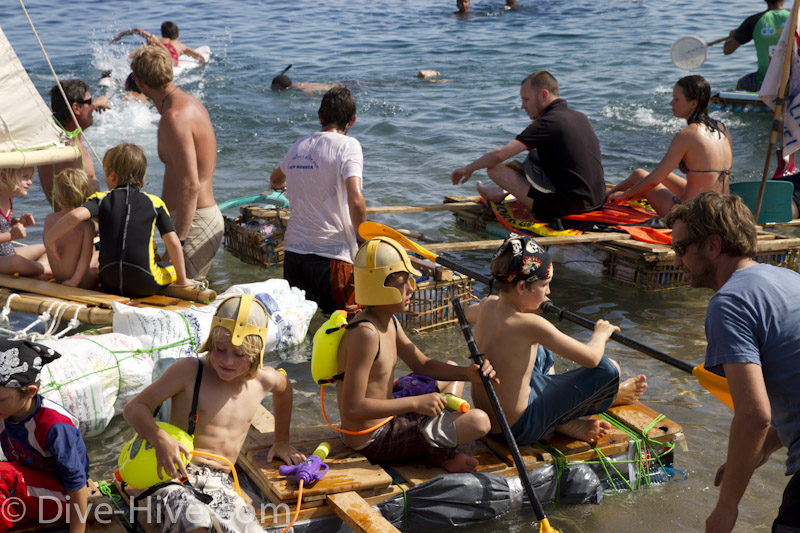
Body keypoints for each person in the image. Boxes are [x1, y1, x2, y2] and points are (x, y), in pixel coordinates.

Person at [665, 191, 800, 533]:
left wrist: (726, 507)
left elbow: (754, 414)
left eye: (680, 248)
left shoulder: (729, 302)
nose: (677, 261)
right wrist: (762, 449)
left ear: (712, 245)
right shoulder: (788, 279)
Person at [124, 294, 304, 533]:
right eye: (220, 349)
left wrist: (281, 441)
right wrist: (160, 439)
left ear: (256, 354)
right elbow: (134, 408)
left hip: (220, 483)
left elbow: (284, 389)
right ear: (210, 342)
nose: (227, 361)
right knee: (196, 520)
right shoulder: (190, 371)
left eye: (239, 354)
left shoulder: (264, 380)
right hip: (174, 474)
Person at [466, 233, 647, 445]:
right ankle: (562, 419)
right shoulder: (532, 325)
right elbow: (591, 358)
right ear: (522, 287)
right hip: (518, 430)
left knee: (541, 351)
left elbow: (469, 312)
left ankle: (558, 417)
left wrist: (524, 308)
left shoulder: (487, 304)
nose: (549, 291)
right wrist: (600, 334)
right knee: (610, 369)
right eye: (545, 285)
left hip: (491, 422)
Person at [335, 236, 495, 473]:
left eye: (409, 281)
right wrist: (416, 403)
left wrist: (468, 374)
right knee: (479, 421)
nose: (411, 288)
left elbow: (422, 364)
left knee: (451, 369)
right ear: (379, 289)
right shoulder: (365, 334)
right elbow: (352, 409)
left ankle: (439, 436)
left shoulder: (388, 320)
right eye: (402, 283)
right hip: (373, 437)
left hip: (389, 411)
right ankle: (442, 453)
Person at [451, 70, 606, 223]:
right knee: (536, 153)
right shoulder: (580, 116)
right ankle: (501, 191)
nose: (522, 106)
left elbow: (499, 155)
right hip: (597, 200)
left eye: (526, 100)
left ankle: (501, 192)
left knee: (494, 169)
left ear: (544, 95)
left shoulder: (548, 123)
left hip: (566, 208)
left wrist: (468, 169)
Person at [44, 143, 189, 298]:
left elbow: (75, 216)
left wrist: (50, 239)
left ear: (112, 175)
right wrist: (182, 280)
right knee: (170, 267)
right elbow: (174, 243)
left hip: (108, 283)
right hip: (144, 284)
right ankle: (184, 280)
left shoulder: (101, 199)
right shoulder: (155, 203)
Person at [270, 85, 367, 314]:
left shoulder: (299, 145)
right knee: (347, 325)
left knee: (302, 322)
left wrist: (282, 185)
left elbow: (275, 180)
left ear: (320, 116)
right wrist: (363, 240)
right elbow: (356, 201)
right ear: (353, 120)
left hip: (294, 257)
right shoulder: (348, 145)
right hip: (332, 258)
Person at [130, 45, 222, 280]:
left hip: (194, 222)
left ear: (140, 82)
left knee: (181, 295)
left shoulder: (174, 118)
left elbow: (191, 184)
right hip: (191, 220)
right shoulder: (187, 103)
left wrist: (177, 242)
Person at [606, 75, 733, 216]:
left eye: (676, 99)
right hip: (721, 209)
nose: (671, 103)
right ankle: (617, 194)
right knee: (664, 177)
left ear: (693, 104)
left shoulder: (687, 135)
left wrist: (625, 194)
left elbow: (653, 181)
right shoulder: (722, 128)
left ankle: (605, 197)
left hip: (693, 215)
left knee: (639, 175)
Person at [0, 339, 89, 533]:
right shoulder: (5, 412)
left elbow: (76, 484)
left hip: (63, 499)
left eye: (1, 400)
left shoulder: (54, 426)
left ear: (29, 392)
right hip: (30, 486)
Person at [37, 80, 110, 210]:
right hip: (78, 221)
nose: (92, 107)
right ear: (76, 108)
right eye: (89, 102)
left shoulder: (64, 136)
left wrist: (95, 103)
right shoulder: (65, 149)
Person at [43, 169, 99, 289]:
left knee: (95, 252)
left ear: (57, 195)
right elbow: (85, 258)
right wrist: (74, 281)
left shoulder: (49, 219)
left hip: (59, 279)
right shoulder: (86, 224)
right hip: (82, 282)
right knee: (98, 259)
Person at [724, 1, 789, 92]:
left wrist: (733, 37)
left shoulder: (754, 20)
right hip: (793, 79)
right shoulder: (795, 18)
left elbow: (727, 50)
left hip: (764, 80)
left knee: (743, 83)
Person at [0, 167, 50, 278]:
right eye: (24, 177)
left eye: (30, 177)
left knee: (49, 247)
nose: (30, 182)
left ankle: (37, 270)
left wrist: (17, 222)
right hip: (5, 259)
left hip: (8, 253)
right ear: (4, 177)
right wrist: (11, 236)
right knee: (17, 261)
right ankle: (44, 269)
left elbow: (2, 223)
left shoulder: (8, 197)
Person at [111, 21, 206, 66]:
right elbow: (201, 58)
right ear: (177, 35)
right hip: (169, 62)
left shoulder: (155, 38)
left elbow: (137, 30)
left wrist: (120, 35)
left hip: (156, 59)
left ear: (162, 33)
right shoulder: (181, 46)